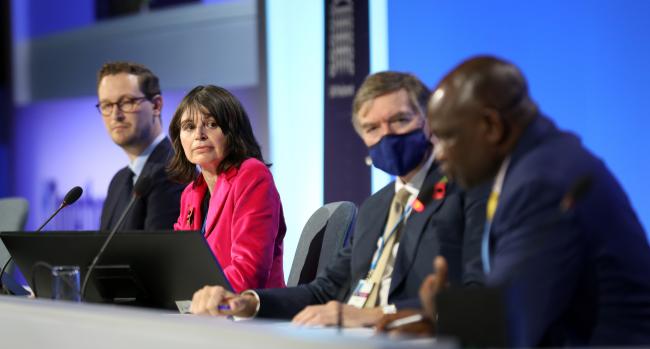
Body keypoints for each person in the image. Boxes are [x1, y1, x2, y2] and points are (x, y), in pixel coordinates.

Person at [380, 55, 650, 348]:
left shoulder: (541, 184)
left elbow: (505, 327)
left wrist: (442, 310)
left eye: (447, 138)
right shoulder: (540, 164)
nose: (440, 154)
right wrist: (438, 321)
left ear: (491, 126)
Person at [190, 72, 487, 327]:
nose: (387, 134)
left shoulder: (470, 191)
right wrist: (246, 303)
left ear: (429, 122)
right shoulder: (376, 207)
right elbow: (325, 290)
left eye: (400, 120)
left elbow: (478, 294)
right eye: (373, 128)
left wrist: (374, 316)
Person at [168, 85, 286, 293]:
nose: (199, 135)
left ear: (233, 131)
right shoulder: (191, 193)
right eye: (188, 127)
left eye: (211, 124)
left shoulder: (252, 176)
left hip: (250, 313)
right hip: (204, 313)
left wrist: (193, 295)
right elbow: (178, 263)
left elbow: (248, 272)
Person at [97, 62, 183, 231]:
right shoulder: (118, 181)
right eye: (107, 105)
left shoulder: (174, 172)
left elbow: (158, 254)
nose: (116, 115)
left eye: (127, 102)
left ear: (156, 105)